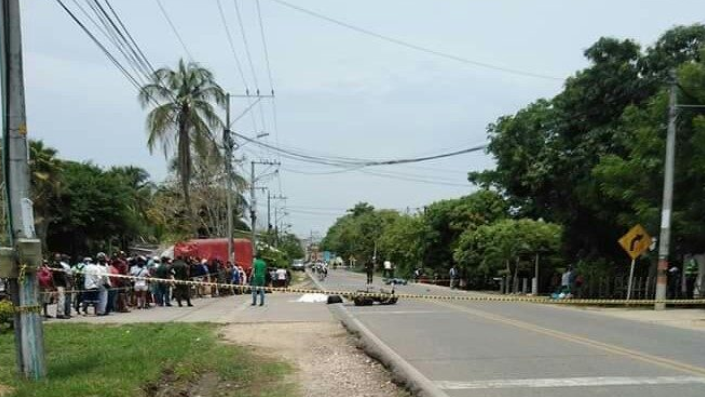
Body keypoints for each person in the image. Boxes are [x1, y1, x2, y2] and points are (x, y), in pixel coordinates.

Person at [50, 253, 69, 319]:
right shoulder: (53, 265)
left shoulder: (60, 265)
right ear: (54, 258)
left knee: (62, 299)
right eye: (57, 257)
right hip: (58, 284)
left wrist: (66, 284)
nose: (58, 258)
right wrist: (54, 285)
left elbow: (64, 275)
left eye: (59, 257)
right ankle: (60, 314)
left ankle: (61, 313)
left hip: (62, 284)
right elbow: (51, 276)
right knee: (61, 299)